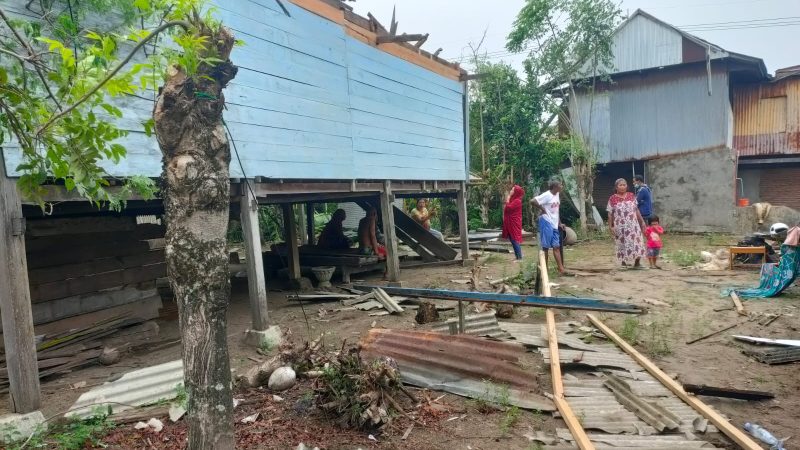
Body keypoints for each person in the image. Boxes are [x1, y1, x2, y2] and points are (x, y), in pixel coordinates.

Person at [607, 178, 647, 268]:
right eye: (620, 185)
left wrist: (642, 221)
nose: (622, 187)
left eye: (624, 185)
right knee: (621, 243)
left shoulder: (631, 195)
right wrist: (611, 226)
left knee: (637, 242)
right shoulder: (612, 198)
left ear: (627, 186)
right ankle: (623, 263)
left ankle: (637, 263)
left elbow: (636, 210)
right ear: (616, 187)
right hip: (620, 226)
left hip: (633, 225)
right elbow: (610, 213)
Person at [530, 178, 566, 274]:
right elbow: (532, 201)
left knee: (556, 246)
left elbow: (556, 211)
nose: (562, 186)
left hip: (554, 224)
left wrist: (559, 223)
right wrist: (542, 209)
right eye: (560, 185)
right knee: (545, 247)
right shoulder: (547, 195)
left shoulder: (557, 194)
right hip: (546, 222)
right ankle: (544, 270)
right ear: (555, 187)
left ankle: (561, 269)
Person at [502, 184, 525, 261]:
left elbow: (508, 208)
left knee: (514, 239)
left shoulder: (517, 201)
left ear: (516, 192)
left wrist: (508, 198)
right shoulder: (514, 200)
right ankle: (517, 256)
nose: (510, 191)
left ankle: (519, 257)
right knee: (512, 239)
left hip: (514, 223)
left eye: (512, 190)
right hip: (510, 222)